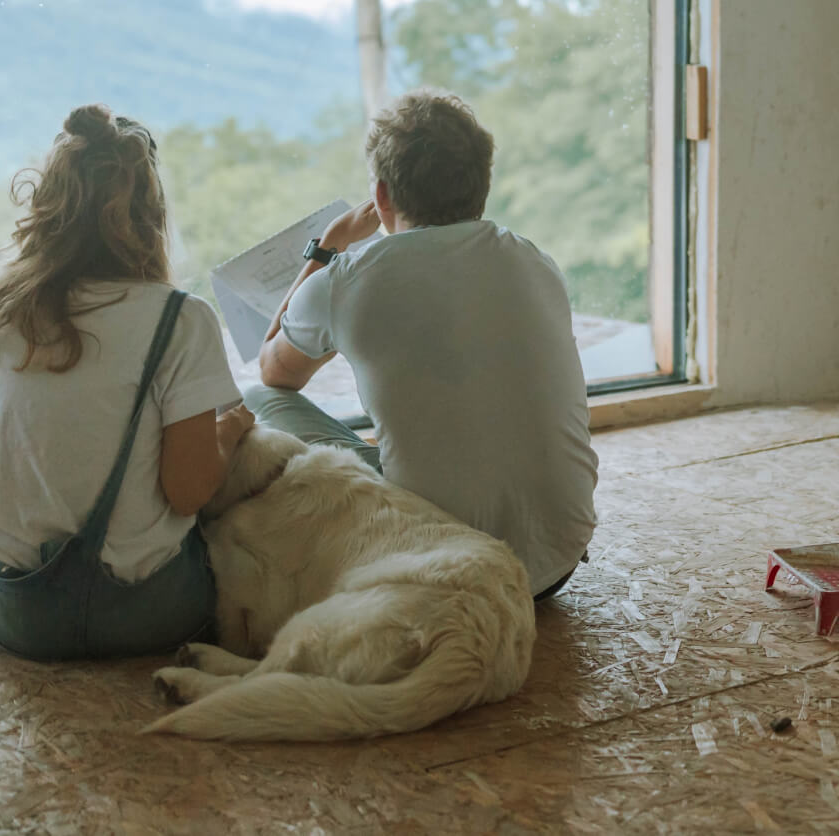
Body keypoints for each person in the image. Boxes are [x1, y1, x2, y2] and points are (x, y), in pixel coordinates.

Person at [245, 88, 597, 601]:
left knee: (257, 404)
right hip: (557, 563)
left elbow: (274, 372)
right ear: (482, 183)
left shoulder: (346, 279)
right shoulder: (534, 260)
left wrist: (328, 246)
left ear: (382, 196)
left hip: (442, 569)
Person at [0, 104, 253, 661]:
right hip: (148, 617)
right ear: (151, 216)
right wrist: (230, 432)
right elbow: (189, 491)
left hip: (12, 613)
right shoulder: (179, 318)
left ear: (47, 209)